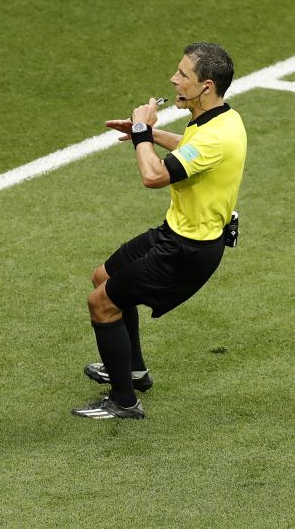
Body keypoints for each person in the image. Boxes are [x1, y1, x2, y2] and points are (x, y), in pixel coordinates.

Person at [73, 42, 247, 419]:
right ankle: (133, 370)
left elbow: (154, 176)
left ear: (207, 86)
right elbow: (191, 147)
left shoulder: (217, 135)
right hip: (175, 233)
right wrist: (149, 135)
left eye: (183, 75)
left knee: (101, 303)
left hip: (187, 251)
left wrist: (140, 131)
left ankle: (124, 401)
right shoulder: (220, 119)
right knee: (104, 276)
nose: (174, 78)